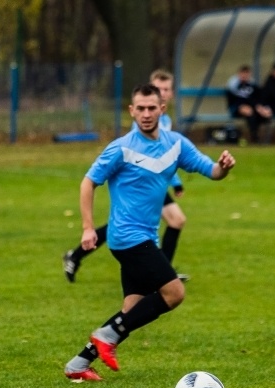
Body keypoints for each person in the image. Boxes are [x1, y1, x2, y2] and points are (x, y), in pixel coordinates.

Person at [63, 84, 235, 381]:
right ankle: (107, 336)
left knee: (131, 311)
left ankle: (78, 364)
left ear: (162, 109)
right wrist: (88, 227)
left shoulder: (176, 145)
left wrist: (224, 167)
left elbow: (212, 171)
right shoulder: (121, 148)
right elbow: (88, 183)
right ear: (131, 111)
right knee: (174, 292)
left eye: (151, 108)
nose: (145, 114)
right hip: (127, 237)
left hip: (146, 237)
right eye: (139, 108)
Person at [63, 69, 189, 283]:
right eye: (159, 89)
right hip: (138, 183)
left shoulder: (165, 121)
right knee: (170, 220)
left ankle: (163, 272)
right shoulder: (146, 120)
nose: (164, 92)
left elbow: (165, 159)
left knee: (173, 220)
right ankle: (164, 275)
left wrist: (175, 182)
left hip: (155, 184)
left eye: (167, 89)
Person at [226, 65, 273, 143]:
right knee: (250, 113)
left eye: (246, 73)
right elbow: (234, 100)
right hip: (237, 108)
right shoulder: (234, 86)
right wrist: (241, 107)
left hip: (252, 107)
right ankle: (254, 137)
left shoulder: (253, 86)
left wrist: (262, 108)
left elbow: (259, 98)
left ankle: (257, 136)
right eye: (243, 73)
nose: (245, 75)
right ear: (239, 74)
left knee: (261, 114)